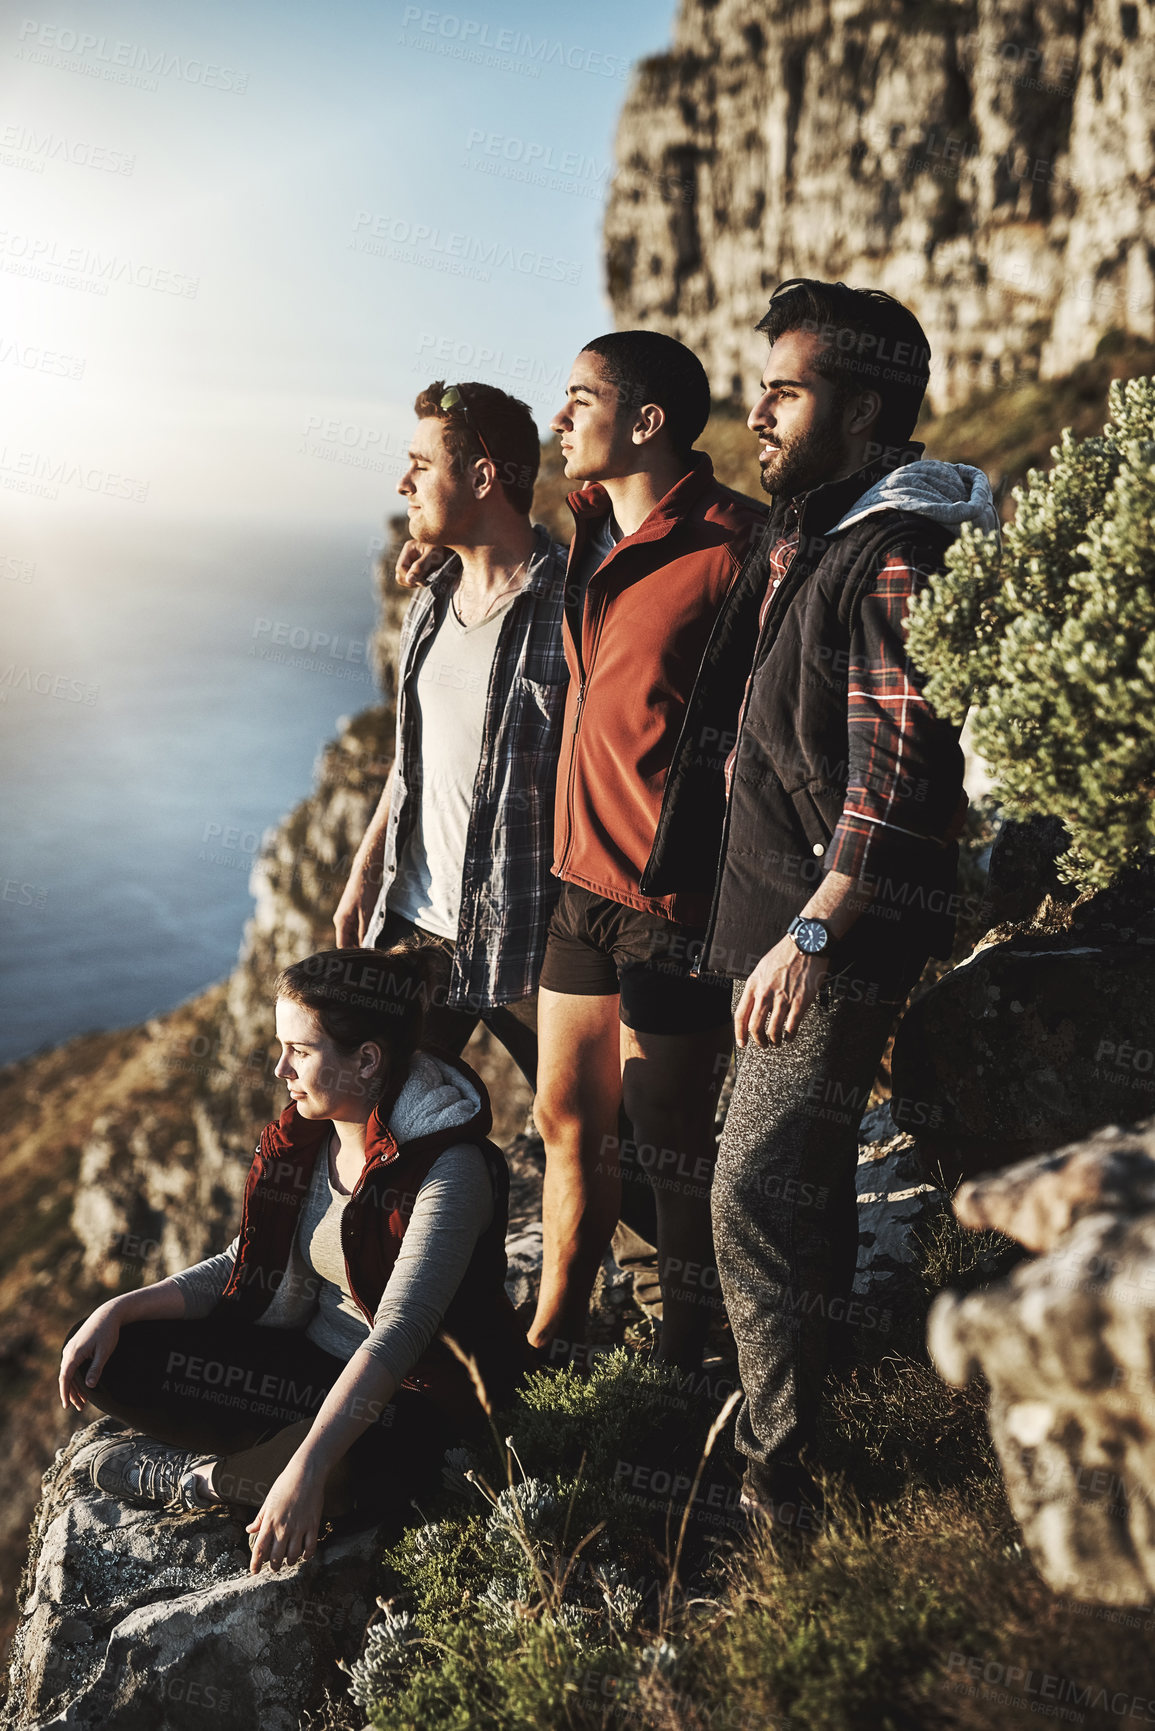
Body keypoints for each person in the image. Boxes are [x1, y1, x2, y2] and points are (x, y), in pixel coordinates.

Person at [649, 278, 1000, 1523]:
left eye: (785, 391)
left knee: (748, 1189)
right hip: (775, 922)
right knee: (794, 1184)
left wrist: (810, 931)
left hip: (827, 934)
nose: (758, 410)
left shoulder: (894, 552)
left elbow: (902, 775)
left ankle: (781, 1477)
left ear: (864, 410)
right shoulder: (818, 520)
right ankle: (829, 1406)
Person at [60, 943, 530, 1573]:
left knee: (350, 1476)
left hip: (414, 1399)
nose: (280, 1067)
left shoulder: (450, 1169)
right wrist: (121, 1307)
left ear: (367, 1061)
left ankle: (201, 1481)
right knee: (109, 1356)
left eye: (300, 1052)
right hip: (307, 1371)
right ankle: (275, 1456)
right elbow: (245, 1262)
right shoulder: (310, 1137)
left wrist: (308, 1466)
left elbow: (399, 1334)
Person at [528, 331, 767, 1372]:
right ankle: (555, 1331)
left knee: (672, 1136)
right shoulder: (580, 533)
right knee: (565, 1117)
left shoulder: (739, 546)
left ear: (647, 420)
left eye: (580, 396)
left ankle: (689, 1347)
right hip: (576, 882)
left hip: (673, 896)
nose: (559, 415)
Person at [334, 381, 568, 1090]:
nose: (403, 483)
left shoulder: (574, 603)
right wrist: (363, 873)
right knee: (380, 1121)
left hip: (527, 935)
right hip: (413, 924)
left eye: (420, 464)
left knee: (599, 1145)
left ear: (481, 476)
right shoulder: (430, 599)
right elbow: (414, 764)